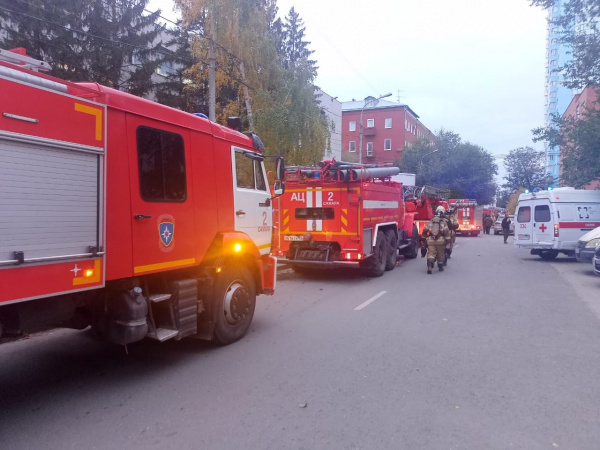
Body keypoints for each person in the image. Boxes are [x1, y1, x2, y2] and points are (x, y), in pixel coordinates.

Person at [422, 206, 450, 274]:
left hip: (431, 240)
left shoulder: (431, 221)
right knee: (441, 255)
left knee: (431, 253)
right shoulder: (443, 222)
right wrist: (447, 242)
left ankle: (430, 267)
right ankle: (440, 266)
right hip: (440, 241)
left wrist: (423, 238)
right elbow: (446, 232)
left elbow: (425, 230)